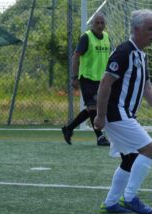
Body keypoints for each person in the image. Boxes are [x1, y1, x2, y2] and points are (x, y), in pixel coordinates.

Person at [94, 9, 152, 214]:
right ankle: (129, 197)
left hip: (124, 114)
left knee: (130, 159)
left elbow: (147, 88)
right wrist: (100, 114)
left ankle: (111, 202)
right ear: (137, 29)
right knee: (149, 149)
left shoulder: (140, 55)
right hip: (116, 113)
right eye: (150, 29)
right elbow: (105, 83)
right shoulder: (124, 52)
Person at [62, 11, 110, 146]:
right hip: (87, 78)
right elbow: (75, 56)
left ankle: (68, 128)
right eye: (97, 23)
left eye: (102, 23)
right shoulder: (86, 37)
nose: (100, 25)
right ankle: (100, 137)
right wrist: (74, 77)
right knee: (94, 107)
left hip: (102, 79)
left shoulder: (107, 37)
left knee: (92, 109)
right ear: (92, 24)